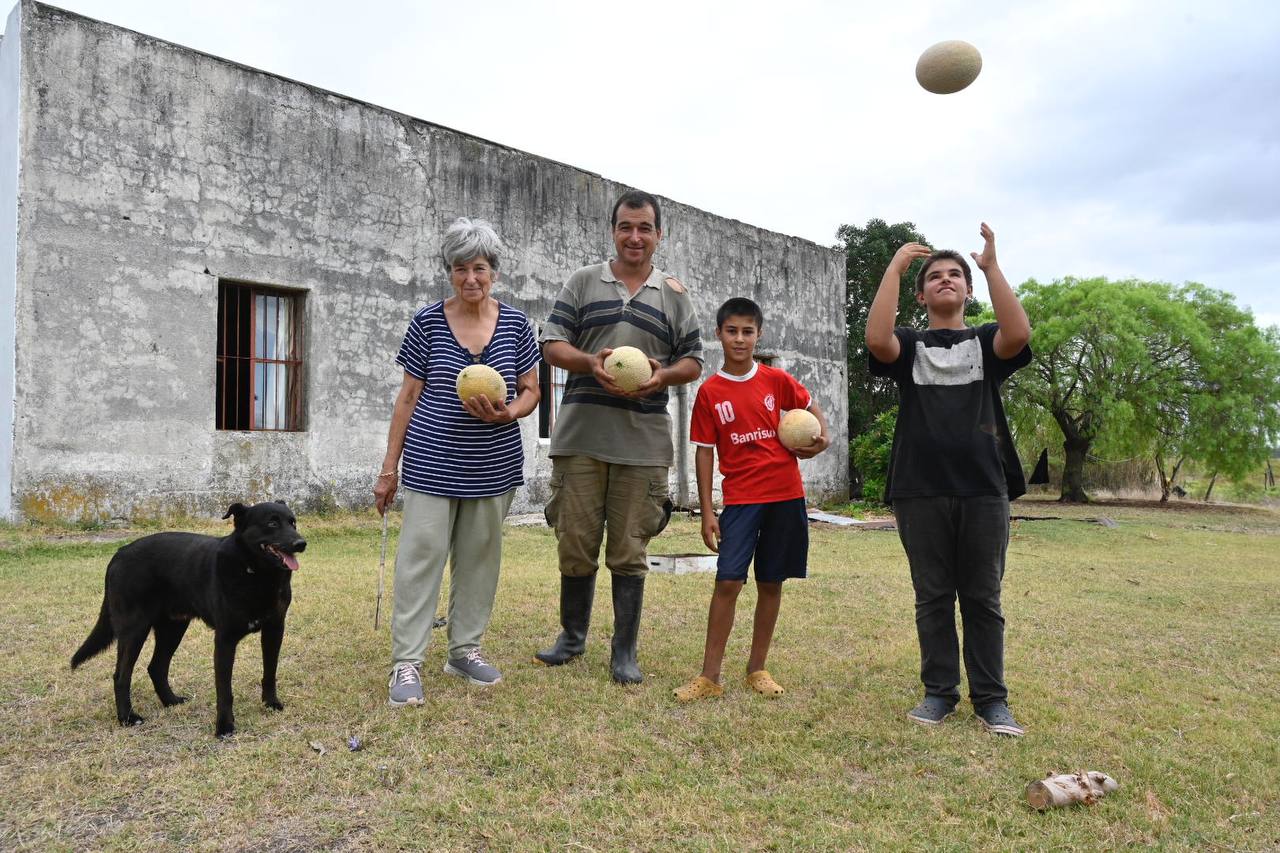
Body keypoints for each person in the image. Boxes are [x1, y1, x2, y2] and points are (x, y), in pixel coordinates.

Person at [865, 222, 1032, 736]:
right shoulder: (910, 346)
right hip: (920, 488)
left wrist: (991, 266)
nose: (945, 280)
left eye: (955, 275)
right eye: (935, 275)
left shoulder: (985, 343)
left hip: (984, 488)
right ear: (921, 294)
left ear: (967, 290)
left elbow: (1020, 334)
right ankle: (939, 692)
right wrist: (894, 267)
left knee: (983, 597)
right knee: (933, 595)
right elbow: (876, 338)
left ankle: (991, 700)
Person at [534, 190, 704, 684]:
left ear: (658, 234)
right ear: (614, 230)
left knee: (629, 549)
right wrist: (590, 362)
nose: (635, 236)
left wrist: (661, 377)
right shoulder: (583, 282)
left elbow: (693, 361)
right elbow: (551, 343)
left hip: (644, 443)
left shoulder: (675, 295)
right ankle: (571, 638)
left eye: (644, 228)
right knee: (575, 542)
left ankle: (624, 652)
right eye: (626, 227)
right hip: (581, 438)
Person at [374, 217, 540, 706]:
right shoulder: (427, 322)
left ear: (495, 272)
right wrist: (389, 468)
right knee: (419, 560)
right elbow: (407, 398)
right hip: (431, 462)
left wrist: (507, 412)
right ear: (449, 272)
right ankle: (407, 662)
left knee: (479, 561)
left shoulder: (516, 324)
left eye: (481, 268)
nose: (471, 278)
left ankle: (464, 650)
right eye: (461, 268)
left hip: (494, 464)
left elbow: (532, 390)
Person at [674, 297, 830, 702]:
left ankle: (757, 667)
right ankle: (709, 676)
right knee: (727, 581)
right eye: (732, 331)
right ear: (718, 334)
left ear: (758, 335)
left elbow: (811, 407)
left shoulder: (777, 381)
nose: (739, 339)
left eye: (747, 331)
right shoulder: (710, 392)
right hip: (741, 500)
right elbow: (704, 450)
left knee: (771, 582)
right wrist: (708, 510)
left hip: (785, 495)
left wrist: (822, 436)